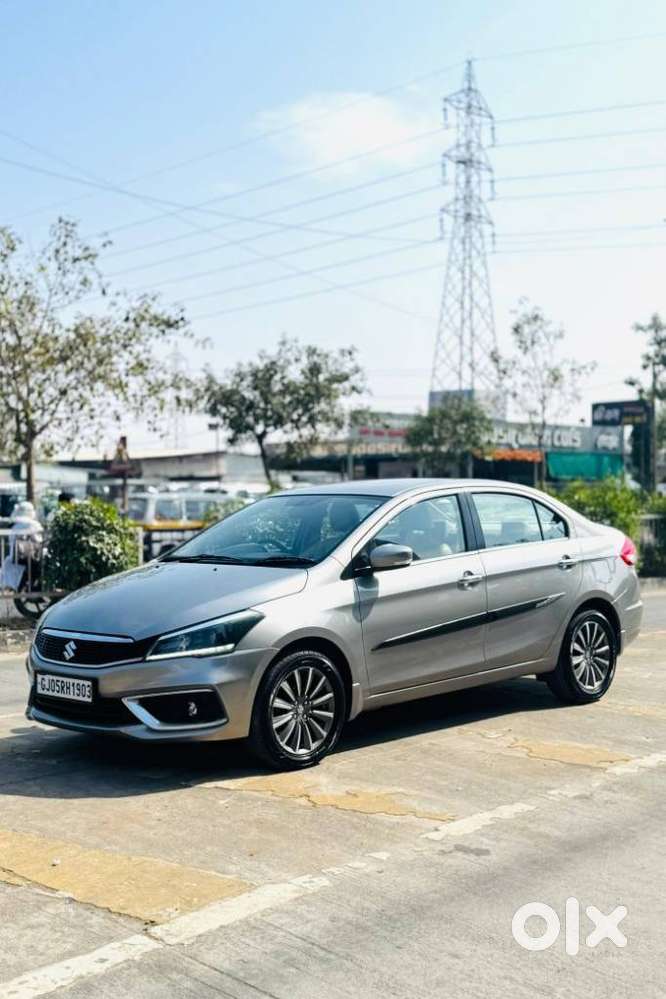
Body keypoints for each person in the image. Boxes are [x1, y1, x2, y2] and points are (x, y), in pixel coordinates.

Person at [0, 501, 44, 591]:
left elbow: (11, 540)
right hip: (34, 555)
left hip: (17, 556)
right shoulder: (34, 524)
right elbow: (40, 540)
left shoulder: (15, 525)